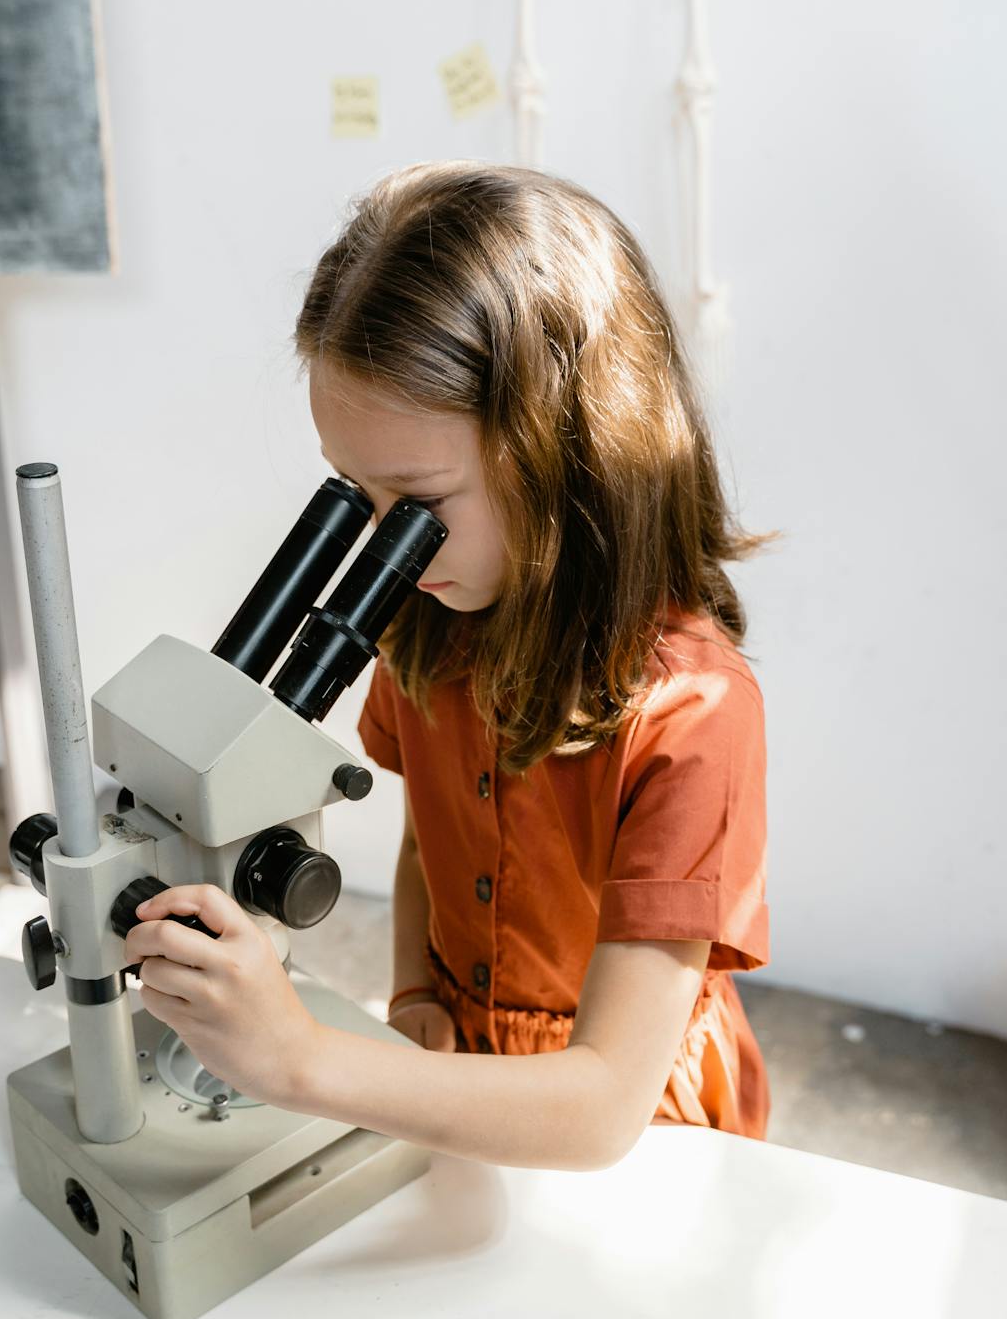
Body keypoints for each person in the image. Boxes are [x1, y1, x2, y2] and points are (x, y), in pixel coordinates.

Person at [125, 163, 770, 1171]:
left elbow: (603, 1107)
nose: (386, 544)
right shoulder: (429, 626)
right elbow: (432, 835)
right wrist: (415, 991)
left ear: (568, 454)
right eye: (354, 494)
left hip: (634, 1132)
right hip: (460, 1069)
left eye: (418, 503)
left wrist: (300, 1057)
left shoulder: (694, 713)